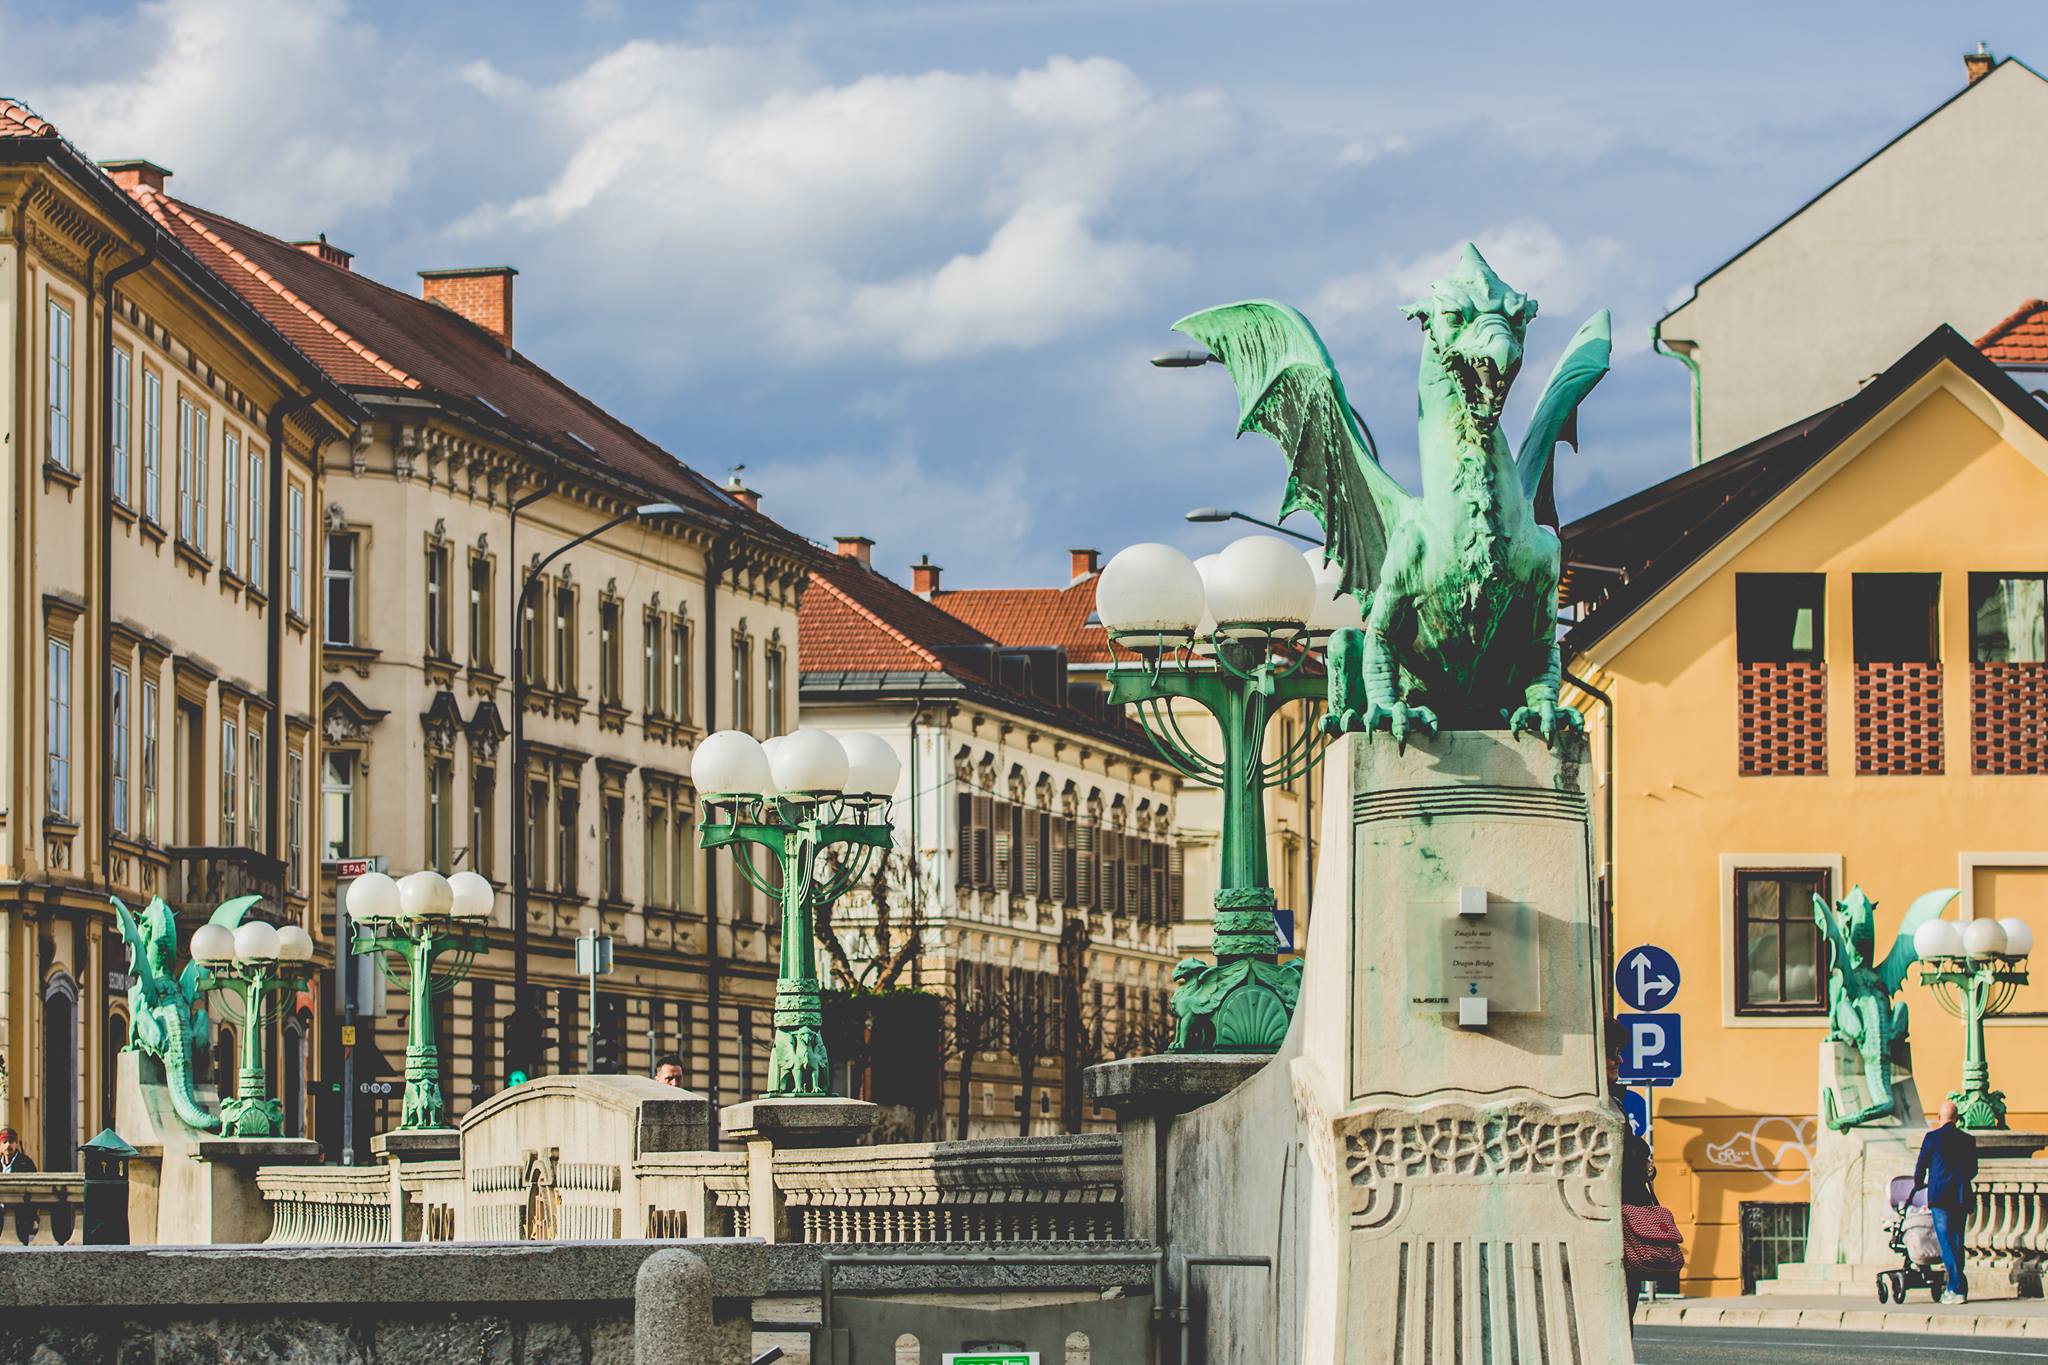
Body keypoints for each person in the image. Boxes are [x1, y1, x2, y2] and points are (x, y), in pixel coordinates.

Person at [1606, 1028, 1659, 1325]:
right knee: (1619, 1310)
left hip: (1624, 1220)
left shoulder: (1615, 1100)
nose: (1620, 1060)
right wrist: (1642, 1158)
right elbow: (1625, 1155)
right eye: (1613, 1054)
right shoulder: (1603, 1103)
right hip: (1617, 1221)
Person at [1913, 1099, 1978, 1304]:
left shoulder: (1932, 1138)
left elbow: (1921, 1166)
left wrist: (1918, 1183)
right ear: (1957, 1119)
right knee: (1957, 1242)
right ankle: (1958, 1287)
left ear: (1939, 1118)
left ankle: (1956, 1288)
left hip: (1940, 1197)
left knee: (1946, 1243)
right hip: (1960, 1196)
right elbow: (1973, 1170)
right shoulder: (1967, 1140)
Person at [0, 1127, 36, 1244]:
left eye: (11, 1141)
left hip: (20, 1215)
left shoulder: (26, 1163)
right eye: (4, 1142)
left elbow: (33, 1190)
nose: (8, 1145)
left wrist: (30, 1216)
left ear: (16, 1143)